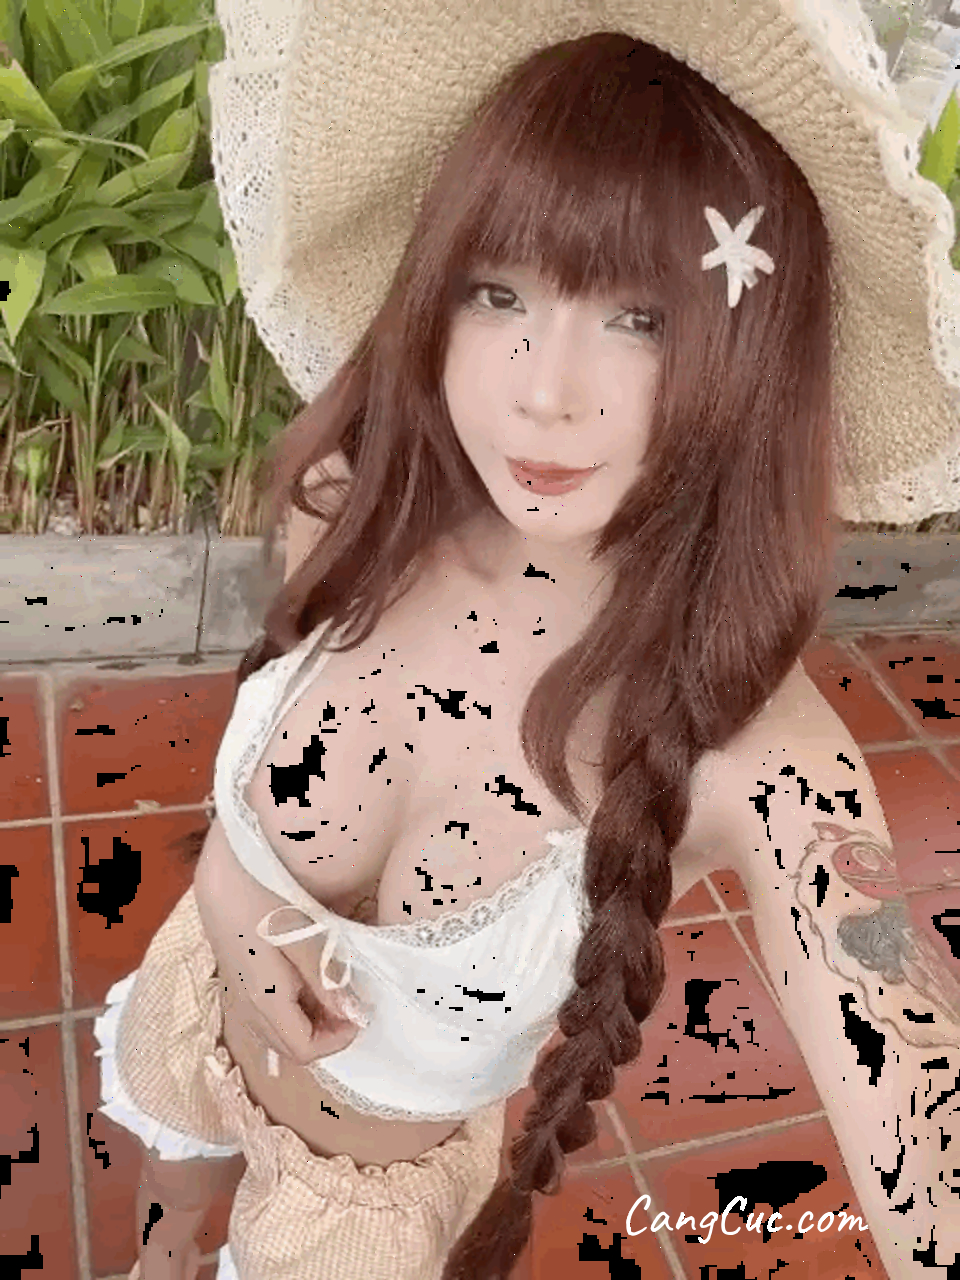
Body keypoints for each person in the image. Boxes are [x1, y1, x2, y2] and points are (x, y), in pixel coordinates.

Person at [93, 1, 960, 1277]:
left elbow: (918, 1106)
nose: (543, 392)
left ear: (756, 346)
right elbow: (255, 776)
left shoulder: (755, 754)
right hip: (190, 1001)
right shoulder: (353, 498)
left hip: (355, 1224)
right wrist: (232, 902)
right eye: (499, 291)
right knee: (165, 1201)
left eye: (642, 317)